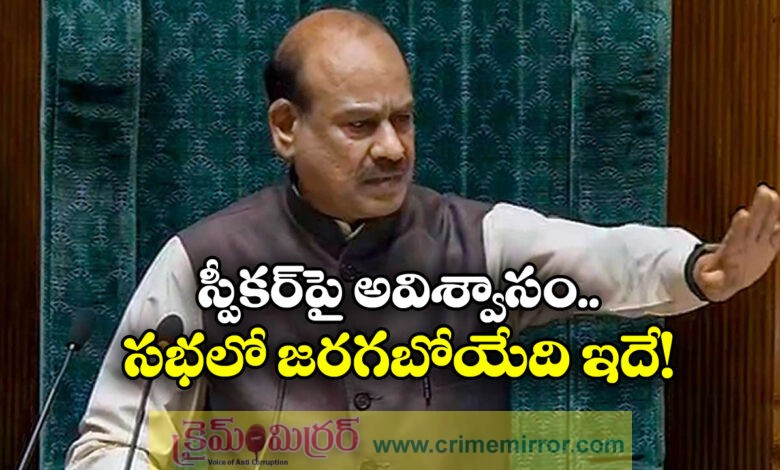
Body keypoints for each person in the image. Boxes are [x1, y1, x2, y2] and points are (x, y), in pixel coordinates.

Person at [65, 7, 780, 469]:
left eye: (402, 120)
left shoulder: (480, 243)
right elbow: (112, 443)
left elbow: (604, 258)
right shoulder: (204, 263)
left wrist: (700, 267)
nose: (392, 148)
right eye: (360, 125)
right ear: (286, 127)